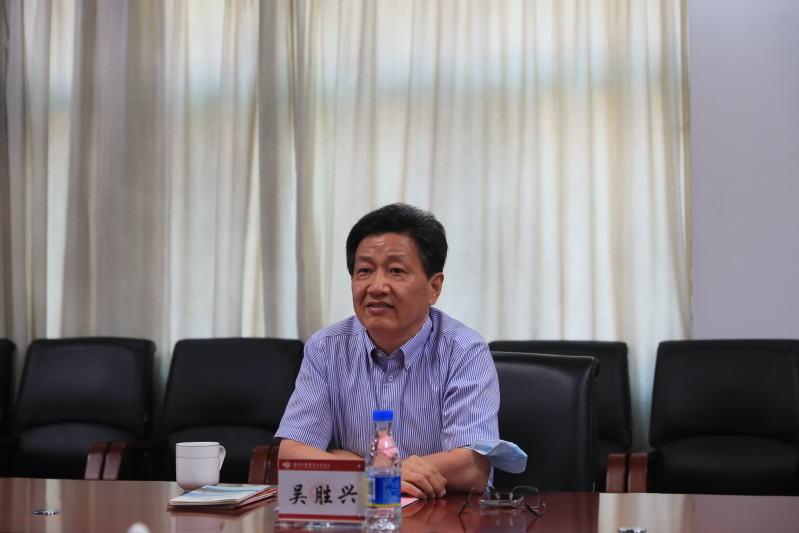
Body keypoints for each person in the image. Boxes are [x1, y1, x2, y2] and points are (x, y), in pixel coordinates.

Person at [276, 203, 499, 499]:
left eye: (396, 270)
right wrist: (380, 473)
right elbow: (292, 456)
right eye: (365, 271)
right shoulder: (325, 348)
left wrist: (352, 465)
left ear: (434, 287)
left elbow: (472, 466)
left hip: (438, 515)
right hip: (359, 513)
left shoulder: (464, 351)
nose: (377, 286)